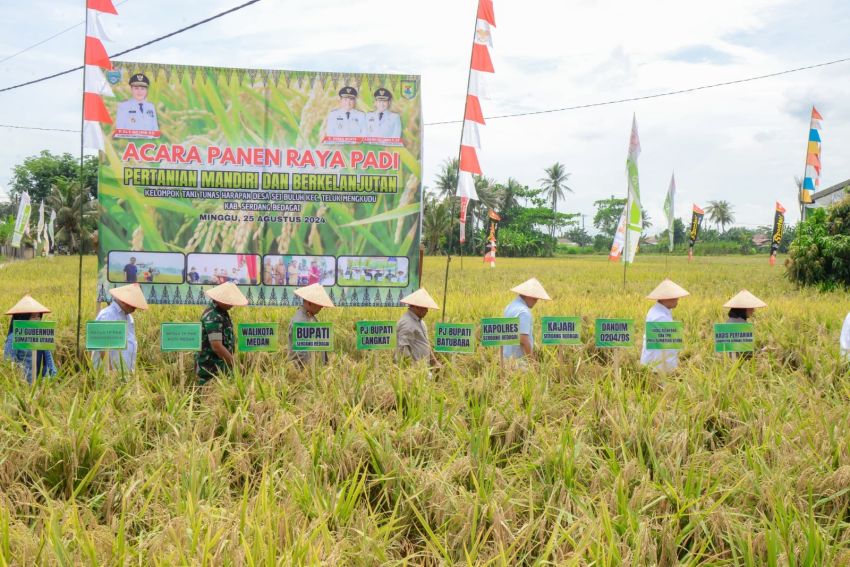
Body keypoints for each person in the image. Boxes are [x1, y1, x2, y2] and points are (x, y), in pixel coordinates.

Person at [196, 281, 247, 385]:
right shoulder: (214, 316)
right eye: (230, 301)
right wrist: (236, 364)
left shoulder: (221, 313)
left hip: (221, 367)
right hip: (210, 370)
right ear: (221, 300)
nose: (232, 304)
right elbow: (217, 346)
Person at [93, 283, 148, 373]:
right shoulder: (108, 315)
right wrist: (111, 373)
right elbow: (102, 346)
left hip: (123, 376)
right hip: (108, 378)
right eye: (133, 304)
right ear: (123, 301)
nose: (135, 308)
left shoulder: (128, 317)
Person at [3, 295, 58, 383]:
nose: (37, 320)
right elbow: (9, 362)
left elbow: (49, 359)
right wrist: (18, 381)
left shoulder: (42, 335)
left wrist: (54, 377)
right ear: (23, 318)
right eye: (33, 317)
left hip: (42, 382)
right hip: (23, 383)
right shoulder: (13, 337)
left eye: (38, 316)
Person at [640, 279, 689, 372]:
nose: (678, 299)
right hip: (657, 368)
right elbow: (667, 346)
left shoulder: (662, 311)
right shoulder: (659, 317)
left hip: (657, 365)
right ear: (665, 299)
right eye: (675, 297)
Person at [502, 278, 551, 362]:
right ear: (529, 295)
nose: (537, 301)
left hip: (506, 359)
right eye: (535, 298)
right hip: (519, 362)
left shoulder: (509, 306)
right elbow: (523, 339)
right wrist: (532, 363)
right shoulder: (524, 312)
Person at [288, 283, 335, 368]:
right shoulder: (300, 322)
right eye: (319, 303)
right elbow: (301, 355)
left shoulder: (310, 317)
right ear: (310, 303)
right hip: (305, 373)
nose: (321, 307)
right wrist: (307, 373)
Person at [396, 288, 440, 368]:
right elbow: (403, 349)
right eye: (425, 308)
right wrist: (413, 369)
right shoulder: (407, 323)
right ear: (417, 306)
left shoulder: (421, 322)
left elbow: (425, 343)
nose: (427, 310)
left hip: (423, 368)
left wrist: (434, 361)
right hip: (415, 371)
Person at [723, 289, 767, 360]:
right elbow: (747, 353)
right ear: (743, 309)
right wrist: (762, 351)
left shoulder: (728, 322)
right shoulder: (743, 325)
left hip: (727, 362)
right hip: (739, 363)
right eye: (751, 307)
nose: (753, 310)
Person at [114, 73, 160, 137]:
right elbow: (119, 131)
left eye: (142, 89)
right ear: (131, 89)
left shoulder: (151, 106)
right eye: (136, 88)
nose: (139, 92)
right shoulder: (123, 106)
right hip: (131, 143)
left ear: (146, 91)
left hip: (149, 143)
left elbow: (155, 130)